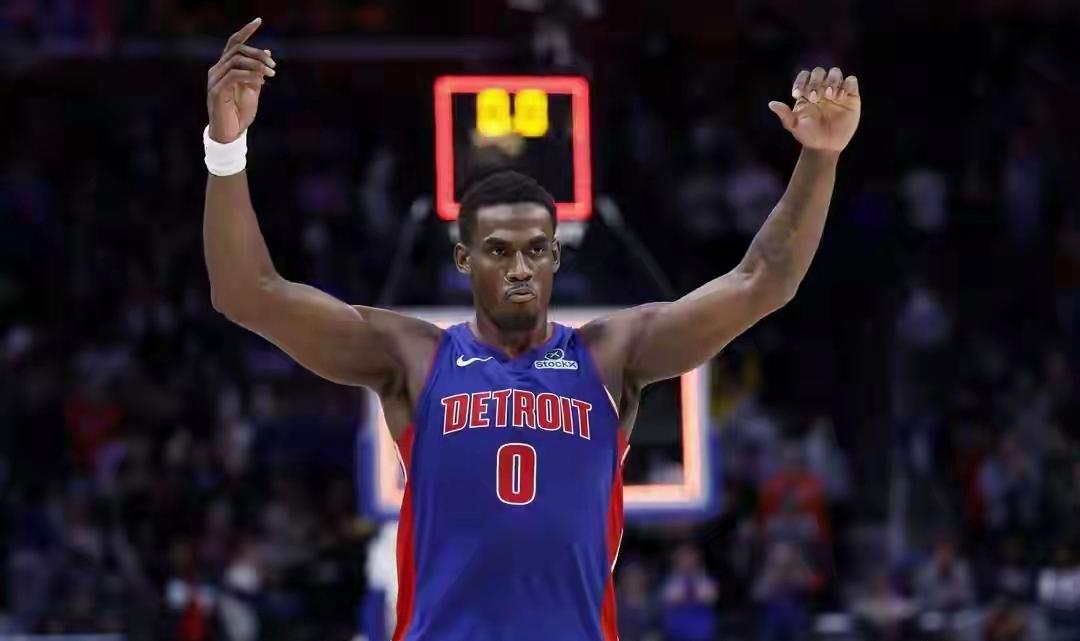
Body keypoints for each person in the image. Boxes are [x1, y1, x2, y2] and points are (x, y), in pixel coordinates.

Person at [202, 17, 862, 641]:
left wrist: (819, 158)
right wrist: (226, 148)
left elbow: (761, 281)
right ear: (465, 259)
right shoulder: (414, 356)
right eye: (498, 250)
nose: (520, 267)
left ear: (555, 257)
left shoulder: (611, 355)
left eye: (536, 250)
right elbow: (247, 294)